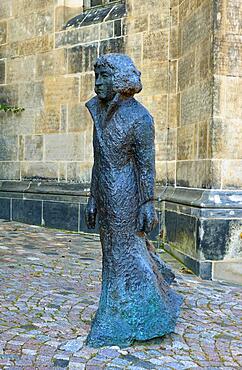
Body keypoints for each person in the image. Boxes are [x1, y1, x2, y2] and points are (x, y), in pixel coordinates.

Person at [85, 53, 182, 347]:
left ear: (119, 80)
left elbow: (145, 164)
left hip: (125, 195)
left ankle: (127, 315)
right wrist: (92, 198)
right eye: (97, 76)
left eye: (103, 76)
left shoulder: (140, 118)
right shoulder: (98, 112)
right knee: (114, 255)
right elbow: (97, 160)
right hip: (105, 190)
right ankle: (120, 309)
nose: (97, 83)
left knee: (126, 254)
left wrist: (147, 202)